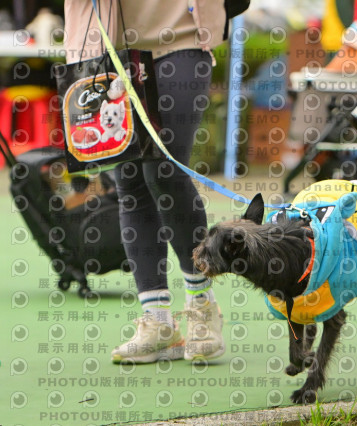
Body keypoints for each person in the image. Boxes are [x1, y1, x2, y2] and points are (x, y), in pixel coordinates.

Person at [63, 0, 227, 363]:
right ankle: (157, 322)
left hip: (181, 36)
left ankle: (201, 303)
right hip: (105, 48)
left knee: (165, 171)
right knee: (130, 182)